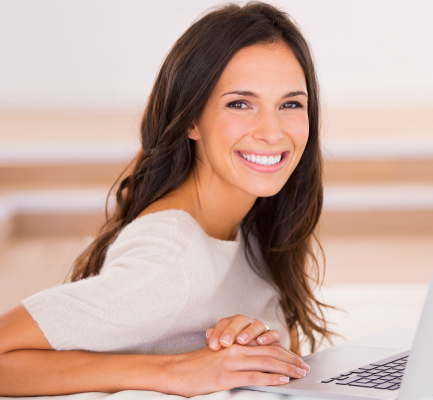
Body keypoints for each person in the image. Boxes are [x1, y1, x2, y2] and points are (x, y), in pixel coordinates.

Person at [0, 2, 334, 396]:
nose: (272, 131)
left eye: (290, 104)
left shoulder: (252, 226)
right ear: (191, 118)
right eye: (240, 103)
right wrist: (174, 371)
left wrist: (256, 346)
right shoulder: (172, 261)